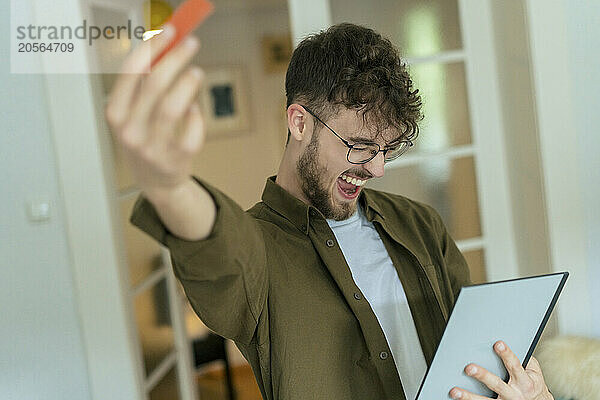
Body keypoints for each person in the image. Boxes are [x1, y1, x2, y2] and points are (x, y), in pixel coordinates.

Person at [105, 22, 554, 400]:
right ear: (299, 122)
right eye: (360, 146)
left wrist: (520, 387)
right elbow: (217, 246)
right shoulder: (259, 248)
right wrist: (169, 186)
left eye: (387, 149)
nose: (376, 168)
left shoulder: (419, 224)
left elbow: (476, 353)